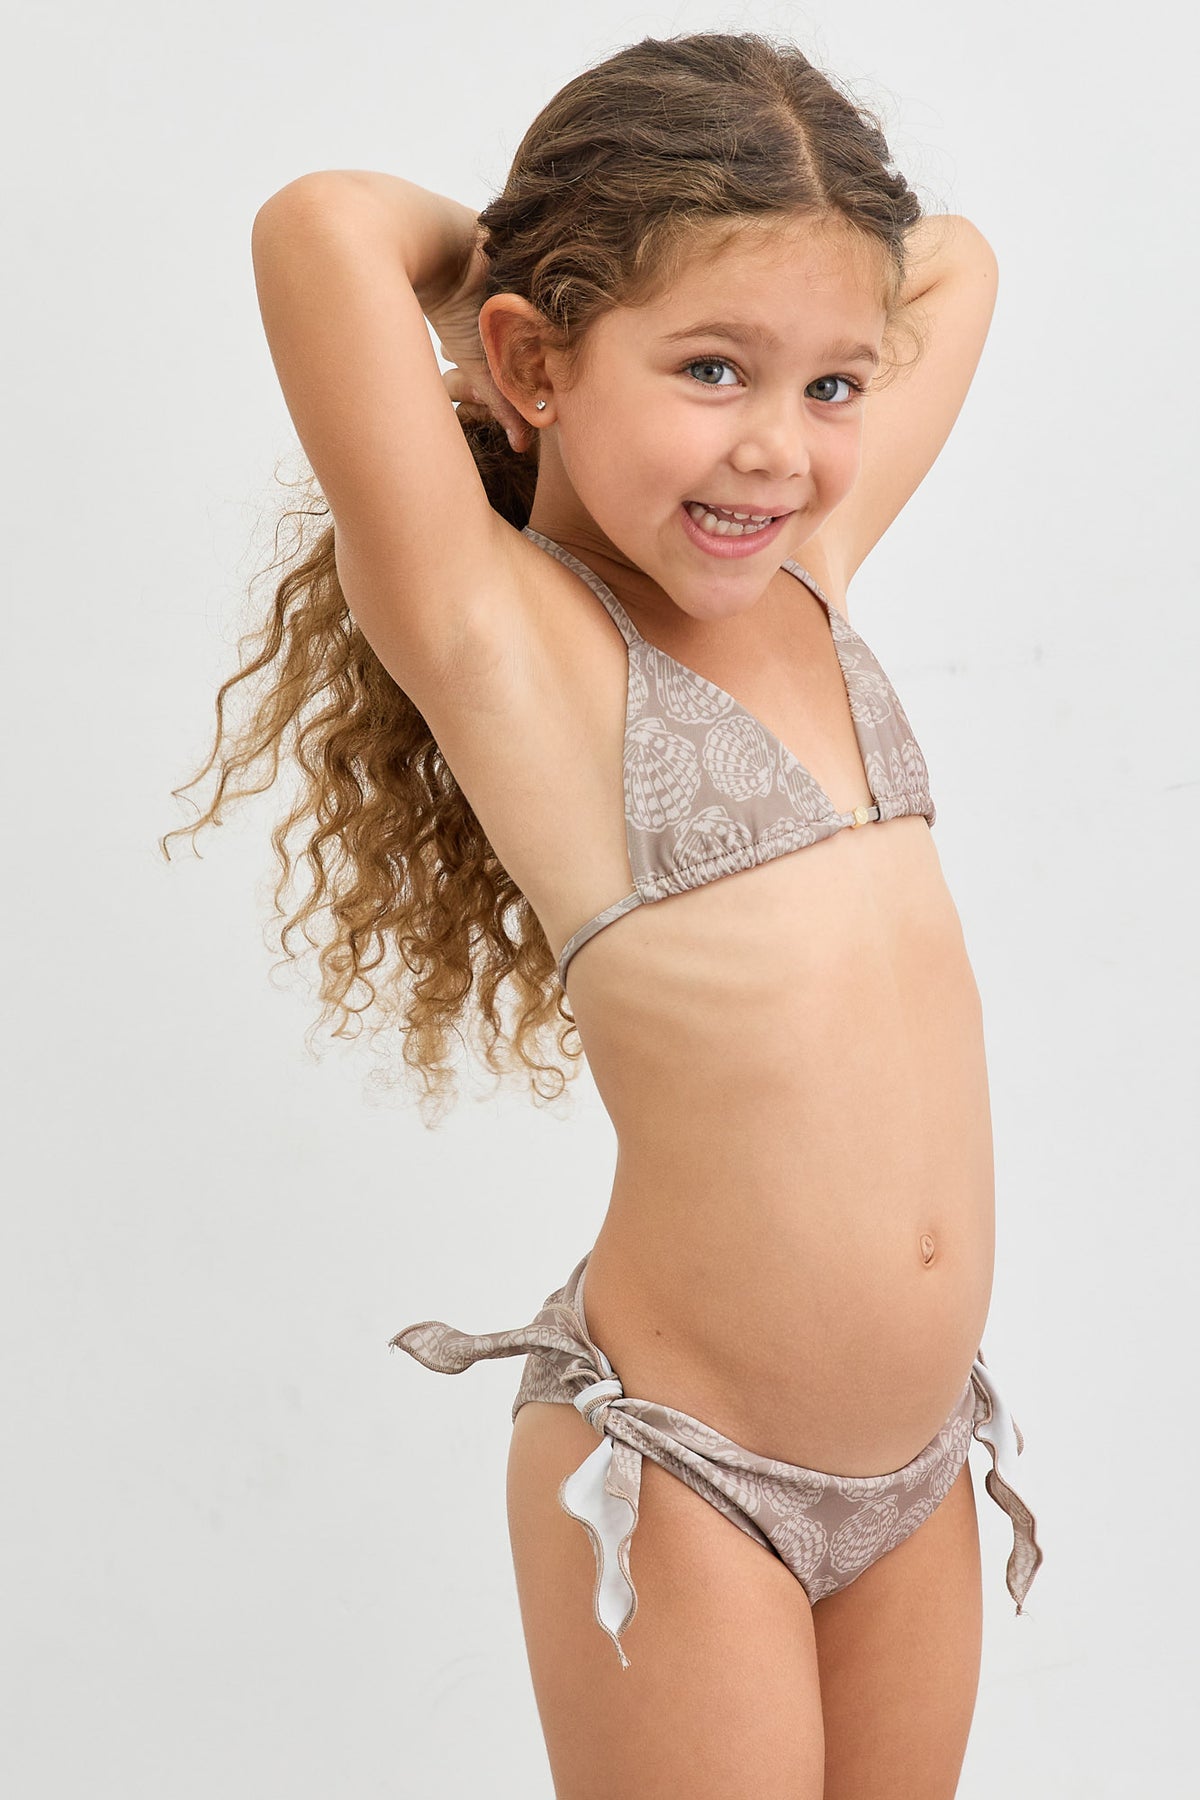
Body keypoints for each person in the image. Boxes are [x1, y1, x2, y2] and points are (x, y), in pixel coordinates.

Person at [166, 29, 1043, 1799]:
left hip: (917, 1465)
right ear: (528, 361)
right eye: (711, 367)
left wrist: (694, 298)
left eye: (831, 385)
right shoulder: (501, 635)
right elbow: (319, 226)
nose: (780, 449)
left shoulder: (811, 571)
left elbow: (956, 263)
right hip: (682, 1469)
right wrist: (546, 280)